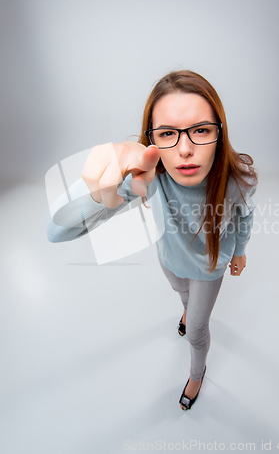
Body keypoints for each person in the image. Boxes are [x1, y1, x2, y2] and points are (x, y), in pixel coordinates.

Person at [47, 70, 258, 411]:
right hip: (169, 258)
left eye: (201, 130)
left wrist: (241, 252)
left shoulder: (238, 179)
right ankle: (188, 309)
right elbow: (56, 230)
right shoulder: (151, 177)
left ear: (219, 133)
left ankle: (196, 373)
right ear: (152, 139)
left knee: (196, 332)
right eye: (168, 134)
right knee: (181, 293)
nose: (185, 149)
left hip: (209, 267)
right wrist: (97, 187)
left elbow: (245, 217)